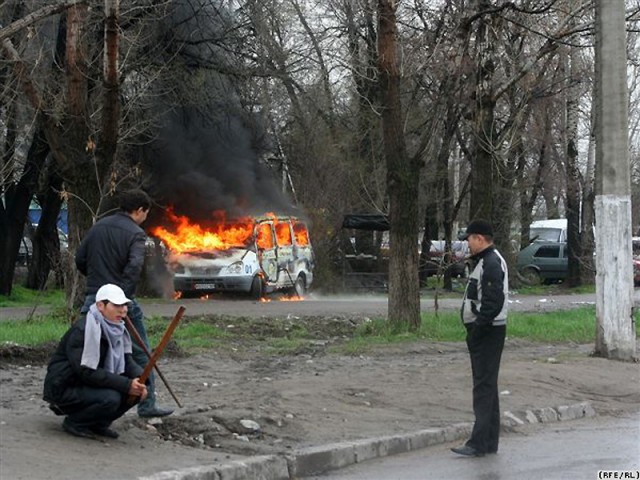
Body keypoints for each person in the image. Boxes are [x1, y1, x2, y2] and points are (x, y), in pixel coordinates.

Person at [75, 188, 173, 418]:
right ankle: (147, 406)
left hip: (93, 299)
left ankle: (81, 403)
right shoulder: (135, 233)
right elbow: (134, 267)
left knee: (85, 352)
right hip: (119, 301)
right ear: (139, 210)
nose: (145, 217)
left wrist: (97, 286)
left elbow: (80, 258)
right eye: (146, 213)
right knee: (141, 354)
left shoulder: (98, 226)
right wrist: (121, 299)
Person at [43, 284, 148, 439]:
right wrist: (126, 385)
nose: (123, 310)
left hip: (88, 383)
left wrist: (141, 378)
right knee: (111, 398)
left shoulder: (118, 328)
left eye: (124, 305)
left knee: (137, 393)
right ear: (100, 306)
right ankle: (75, 422)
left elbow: (126, 361)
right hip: (65, 387)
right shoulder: (84, 330)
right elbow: (86, 371)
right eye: (117, 305)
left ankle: (98, 424)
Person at [451, 219, 508, 457]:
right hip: (489, 331)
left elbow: (493, 303)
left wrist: (477, 332)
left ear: (480, 238)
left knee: (483, 388)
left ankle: (477, 444)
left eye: (469, 239)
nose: (468, 243)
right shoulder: (487, 261)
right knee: (488, 386)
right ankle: (489, 441)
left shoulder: (491, 263)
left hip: (488, 332)